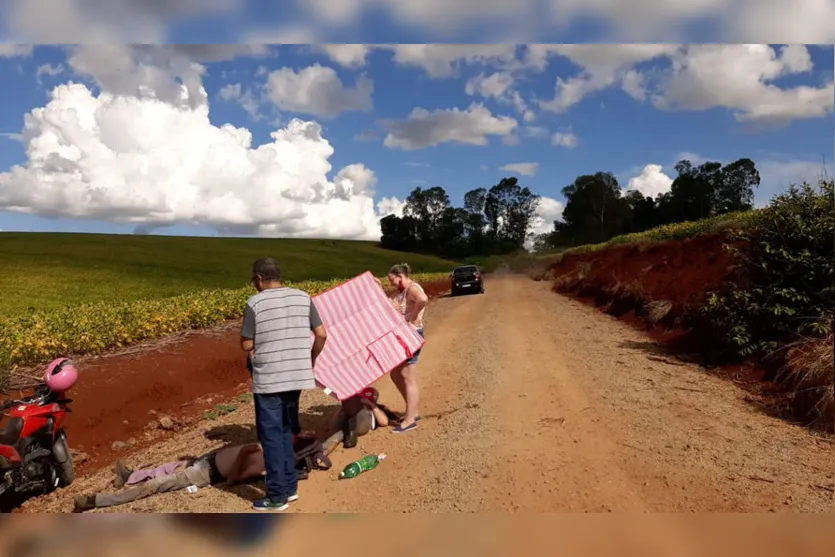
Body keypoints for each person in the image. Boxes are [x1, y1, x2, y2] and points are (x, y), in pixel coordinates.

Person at [241, 257, 328, 511]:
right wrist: (309, 359)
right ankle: (289, 488)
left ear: (259, 278)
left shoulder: (255, 302)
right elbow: (322, 334)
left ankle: (277, 496)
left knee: (270, 435)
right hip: (297, 375)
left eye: (253, 281)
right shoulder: (303, 297)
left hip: (270, 378)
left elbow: (247, 344)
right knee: (287, 430)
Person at [73, 443, 267, 511]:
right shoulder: (277, 445)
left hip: (203, 473)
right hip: (207, 461)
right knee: (165, 469)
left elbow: (236, 475)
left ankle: (96, 501)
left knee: (154, 485)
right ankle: (130, 476)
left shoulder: (268, 465)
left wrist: (244, 453)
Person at [385, 263, 428, 433]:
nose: (392, 284)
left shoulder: (412, 288)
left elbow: (423, 299)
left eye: (392, 280)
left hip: (412, 336)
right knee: (396, 374)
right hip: (403, 338)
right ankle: (412, 411)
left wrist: (413, 317)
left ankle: (410, 420)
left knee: (408, 377)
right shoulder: (401, 291)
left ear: (401, 276)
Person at [322, 387, 395, 453]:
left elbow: (384, 422)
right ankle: (321, 452)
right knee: (342, 430)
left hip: (362, 424)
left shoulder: (375, 410)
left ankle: (321, 451)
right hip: (345, 424)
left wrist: (371, 405)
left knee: (344, 426)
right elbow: (334, 422)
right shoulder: (352, 407)